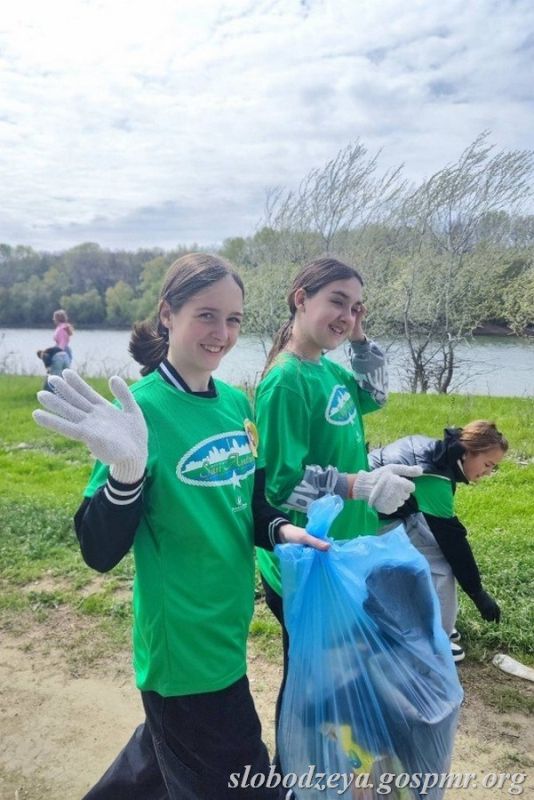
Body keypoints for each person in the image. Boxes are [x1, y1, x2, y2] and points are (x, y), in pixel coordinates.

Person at [33, 253, 329, 800]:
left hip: (227, 627)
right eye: (207, 315)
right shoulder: (135, 415)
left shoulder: (235, 405)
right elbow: (98, 550)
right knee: (243, 779)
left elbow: (252, 503)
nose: (222, 333)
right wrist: (126, 474)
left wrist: (282, 532)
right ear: (168, 314)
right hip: (183, 650)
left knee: (156, 760)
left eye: (234, 319)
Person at [254, 256, 421, 759]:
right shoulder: (285, 381)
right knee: (311, 678)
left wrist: (359, 336)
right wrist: (358, 485)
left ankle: (321, 772)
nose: (346, 316)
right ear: (300, 298)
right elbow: (280, 487)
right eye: (336, 302)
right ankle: (292, 775)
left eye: (354, 307)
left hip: (340, 551)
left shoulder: (326, 369)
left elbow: (376, 394)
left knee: (336, 676)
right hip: (306, 561)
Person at [368, 421, 507, 662]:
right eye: (487, 464)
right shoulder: (435, 475)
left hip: (386, 506)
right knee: (443, 565)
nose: (487, 473)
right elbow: (454, 544)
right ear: (467, 452)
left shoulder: (440, 450)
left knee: (431, 547)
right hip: (367, 517)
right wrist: (478, 593)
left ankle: (432, 620)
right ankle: (434, 643)